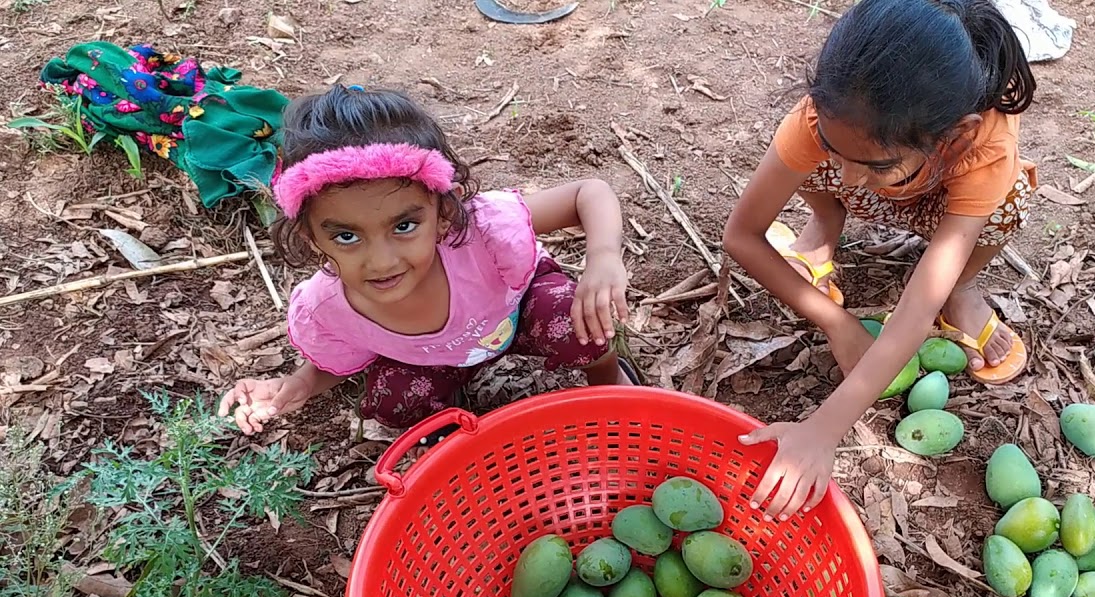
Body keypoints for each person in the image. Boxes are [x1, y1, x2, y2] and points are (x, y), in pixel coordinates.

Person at [722, 0, 1038, 520]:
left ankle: (962, 284)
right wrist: (835, 322)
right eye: (832, 143)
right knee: (808, 159)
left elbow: (913, 313)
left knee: (1007, 205)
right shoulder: (825, 123)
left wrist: (824, 430)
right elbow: (742, 235)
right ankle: (825, 225)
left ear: (955, 135)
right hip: (886, 189)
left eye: (868, 161)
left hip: (943, 205)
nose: (845, 174)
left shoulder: (982, 147)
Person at [219, 85, 636, 436]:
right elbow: (335, 361)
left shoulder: (479, 230)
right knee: (392, 401)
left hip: (517, 313)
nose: (381, 261)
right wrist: (297, 384)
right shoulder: (327, 308)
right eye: (346, 236)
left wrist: (602, 257)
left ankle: (611, 389)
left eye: (404, 226)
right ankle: (455, 420)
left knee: (575, 315)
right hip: (433, 359)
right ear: (311, 237)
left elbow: (588, 193)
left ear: (443, 213)